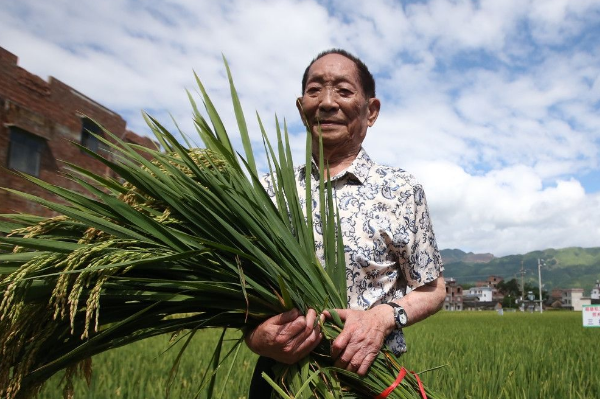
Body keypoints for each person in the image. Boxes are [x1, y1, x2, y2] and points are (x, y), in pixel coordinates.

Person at [245, 49, 446, 397]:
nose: (326, 102)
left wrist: (381, 318)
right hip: (279, 382)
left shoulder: (400, 190)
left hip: (367, 378)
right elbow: (242, 290)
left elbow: (432, 288)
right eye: (314, 90)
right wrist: (255, 337)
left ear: (371, 111)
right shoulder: (267, 191)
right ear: (300, 106)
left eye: (343, 90)